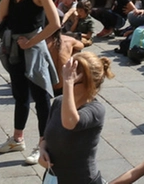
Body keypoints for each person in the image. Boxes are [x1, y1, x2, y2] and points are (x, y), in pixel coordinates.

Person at [0, 0, 63, 167]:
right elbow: (2, 14)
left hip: (32, 48)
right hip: (13, 46)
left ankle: (43, 144)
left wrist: (32, 42)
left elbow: (55, 23)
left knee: (42, 98)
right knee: (19, 94)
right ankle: (17, 138)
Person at [38, 52, 115, 184]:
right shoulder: (58, 103)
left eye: (74, 81)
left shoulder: (96, 110)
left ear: (89, 84)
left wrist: (68, 82)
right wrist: (42, 149)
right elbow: (46, 137)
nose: (66, 84)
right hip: (53, 178)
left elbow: (70, 122)